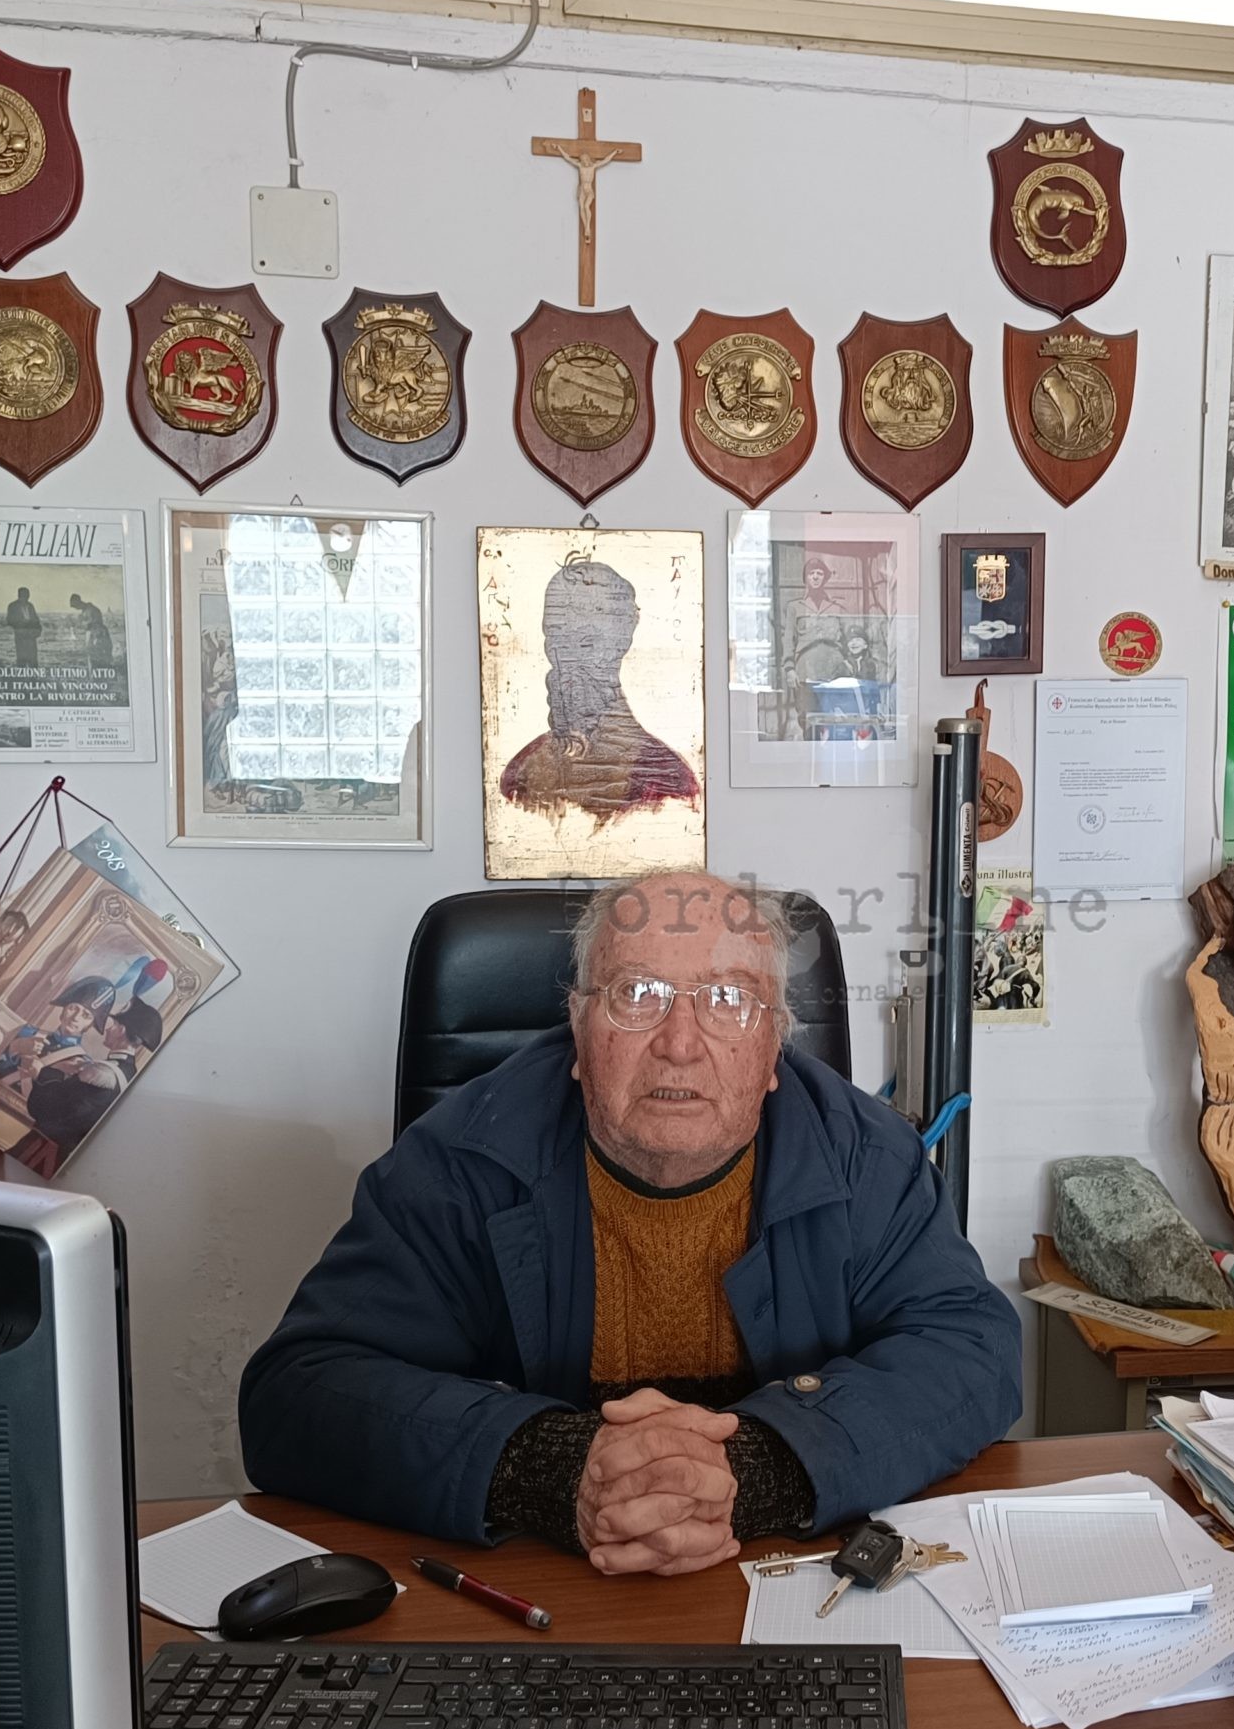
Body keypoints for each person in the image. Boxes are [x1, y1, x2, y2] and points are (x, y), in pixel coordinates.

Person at [239, 870, 1022, 1574]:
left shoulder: (866, 1156)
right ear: (579, 1032)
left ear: (774, 1048)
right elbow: (296, 1395)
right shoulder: (460, 1159)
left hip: (782, 1581)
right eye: (638, 995)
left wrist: (758, 1468)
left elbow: (974, 1352)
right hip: (546, 1591)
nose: (679, 1045)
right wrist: (557, 1467)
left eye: (728, 1001)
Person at [499, 560, 700, 823]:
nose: (566, 654)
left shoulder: (669, 781)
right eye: (556, 634)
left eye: (587, 639)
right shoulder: (521, 773)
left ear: (620, 641)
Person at [2, 587, 42, 667]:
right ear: (19, 595)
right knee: (21, 659)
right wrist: (23, 625)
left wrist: (38, 630)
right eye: (25, 595)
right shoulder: (12, 606)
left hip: (31, 636)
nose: (27, 597)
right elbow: (10, 620)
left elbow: (36, 620)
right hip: (21, 636)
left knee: (33, 659)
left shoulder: (30, 606)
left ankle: (33, 674)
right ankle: (22, 673)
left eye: (28, 595)